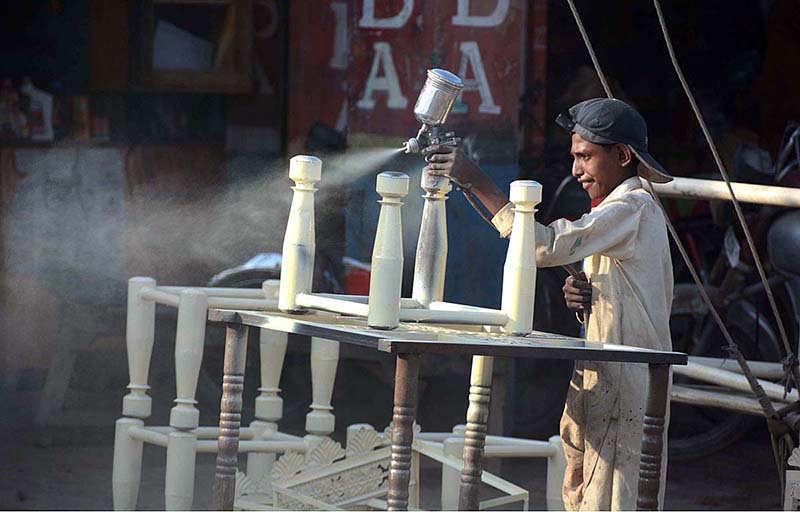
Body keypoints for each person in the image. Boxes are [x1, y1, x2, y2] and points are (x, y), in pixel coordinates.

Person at [425, 98, 674, 511]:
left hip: (627, 386)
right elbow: (613, 289)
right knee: (581, 493)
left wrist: (475, 177)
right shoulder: (613, 213)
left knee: (614, 498)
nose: (576, 170)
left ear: (623, 156)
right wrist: (584, 297)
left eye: (585, 157)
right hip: (602, 376)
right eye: (575, 156)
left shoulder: (633, 208)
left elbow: (541, 246)